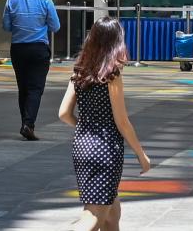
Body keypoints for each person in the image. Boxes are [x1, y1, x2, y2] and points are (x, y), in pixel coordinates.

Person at [58, 17, 151, 231]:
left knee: (112, 215)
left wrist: (86, 129)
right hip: (105, 150)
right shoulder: (111, 75)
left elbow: (63, 113)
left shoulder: (79, 71)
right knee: (92, 216)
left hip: (82, 147)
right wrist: (141, 154)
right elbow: (122, 122)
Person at [3, 0, 61, 141]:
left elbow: (6, 26)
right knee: (36, 88)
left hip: (18, 48)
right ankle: (28, 124)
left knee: (23, 88)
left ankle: (25, 123)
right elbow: (55, 26)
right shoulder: (46, 1)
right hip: (38, 49)